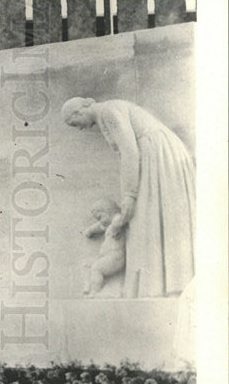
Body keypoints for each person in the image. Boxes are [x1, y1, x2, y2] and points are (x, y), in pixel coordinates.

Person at [61, 97, 195, 297]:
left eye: (75, 124)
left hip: (157, 156)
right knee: (151, 220)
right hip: (156, 154)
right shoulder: (109, 112)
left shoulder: (108, 111)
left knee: (146, 218)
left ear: (79, 112)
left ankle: (165, 286)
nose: (80, 129)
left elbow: (130, 152)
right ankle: (161, 285)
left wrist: (130, 195)